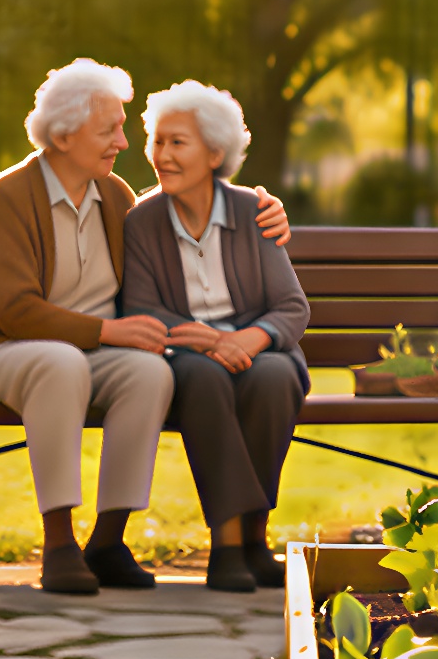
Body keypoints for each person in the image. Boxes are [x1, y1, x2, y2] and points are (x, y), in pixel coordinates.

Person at [0, 61, 294, 594]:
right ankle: (59, 542)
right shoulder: (9, 196)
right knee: (61, 362)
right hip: (4, 351)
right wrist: (110, 333)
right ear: (63, 134)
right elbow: (15, 309)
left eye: (122, 126)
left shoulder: (114, 197)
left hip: (91, 355)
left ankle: (108, 540)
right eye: (108, 129)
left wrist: (261, 207)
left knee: (147, 373)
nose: (123, 142)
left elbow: (184, 210)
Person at [121, 81, 309, 593]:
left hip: (256, 347)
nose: (161, 155)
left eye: (177, 142)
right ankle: (227, 546)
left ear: (215, 153)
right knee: (202, 378)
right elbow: (140, 309)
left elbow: (292, 307)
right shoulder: (142, 221)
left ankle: (255, 539)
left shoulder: (253, 211)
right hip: (185, 351)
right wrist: (204, 339)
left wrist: (250, 339)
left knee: (273, 379)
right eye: (157, 142)